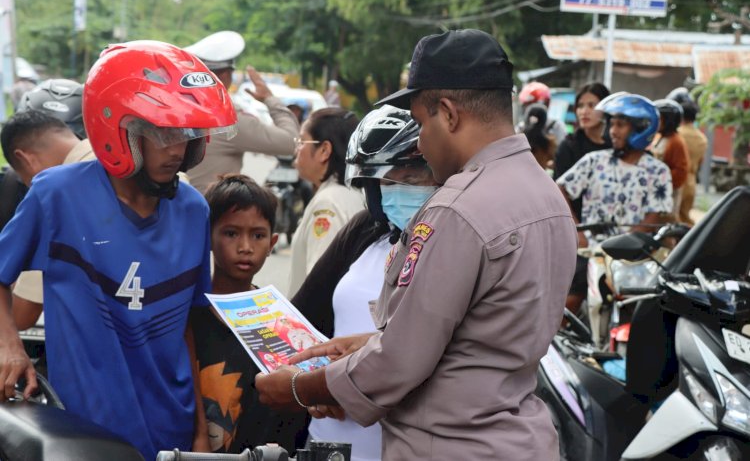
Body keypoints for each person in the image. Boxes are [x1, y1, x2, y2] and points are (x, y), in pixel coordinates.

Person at [256, 29, 578, 460]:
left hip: (448, 446)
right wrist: (369, 342)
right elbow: (481, 335)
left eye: (421, 124)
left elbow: (397, 363)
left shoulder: (457, 208)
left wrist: (296, 387)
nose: (421, 144)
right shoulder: (548, 197)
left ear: (447, 114)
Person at [0, 40, 238, 460]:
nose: (178, 149)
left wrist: (199, 431)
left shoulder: (194, 211)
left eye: (186, 133)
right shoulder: (56, 196)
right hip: (85, 434)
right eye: (164, 133)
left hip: (173, 430)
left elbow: (184, 330)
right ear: (118, 130)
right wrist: (10, 346)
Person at [292, 105, 438, 461]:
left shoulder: (451, 248)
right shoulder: (364, 232)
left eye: (414, 179)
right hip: (329, 439)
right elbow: (303, 316)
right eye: (388, 182)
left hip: (401, 445)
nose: (400, 190)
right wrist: (307, 382)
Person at [191, 174, 306, 454]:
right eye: (231, 233)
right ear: (208, 238)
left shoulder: (279, 319)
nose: (245, 247)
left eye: (258, 235)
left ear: (272, 243)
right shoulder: (189, 317)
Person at [556, 93, 673, 313]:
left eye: (620, 125)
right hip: (591, 252)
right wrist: (577, 231)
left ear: (641, 129)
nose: (612, 130)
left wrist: (624, 245)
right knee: (567, 306)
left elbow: (653, 216)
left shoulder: (658, 171)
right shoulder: (594, 161)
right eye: (611, 124)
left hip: (634, 259)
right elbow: (559, 189)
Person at [0, 108, 93, 331]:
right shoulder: (129, 160)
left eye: (26, 181)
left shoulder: (55, 191)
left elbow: (21, 316)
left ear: (26, 160)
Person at [184, 31, 300, 193]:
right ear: (225, 75)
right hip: (213, 214)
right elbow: (290, 142)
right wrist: (269, 98)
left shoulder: (182, 109)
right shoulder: (227, 119)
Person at [287, 108, 364, 295]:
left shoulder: (328, 204)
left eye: (302, 141)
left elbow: (319, 284)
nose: (297, 149)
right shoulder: (355, 193)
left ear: (324, 150)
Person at [552, 82, 611, 312]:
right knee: (573, 296)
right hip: (575, 228)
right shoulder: (569, 147)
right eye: (580, 106)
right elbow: (559, 193)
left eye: (591, 105)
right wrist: (578, 231)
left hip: (607, 233)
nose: (584, 111)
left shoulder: (615, 147)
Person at [651, 99, 689, 217]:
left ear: (668, 120)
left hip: (668, 191)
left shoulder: (676, 142)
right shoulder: (659, 137)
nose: (656, 122)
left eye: (660, 119)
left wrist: (661, 178)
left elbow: (681, 171)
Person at [676, 100, 707, 225]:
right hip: (691, 182)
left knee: (673, 221)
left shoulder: (677, 134)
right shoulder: (702, 138)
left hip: (677, 181)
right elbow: (700, 162)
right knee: (685, 219)